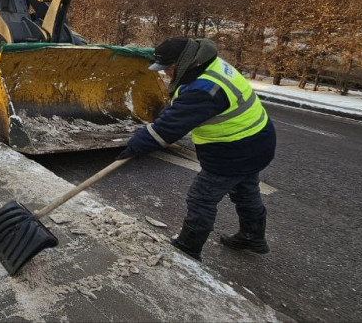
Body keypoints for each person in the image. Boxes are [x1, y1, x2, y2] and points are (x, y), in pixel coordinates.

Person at [116, 37, 277, 261]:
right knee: (245, 190)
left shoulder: (205, 89)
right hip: (258, 140)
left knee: (201, 198)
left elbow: (168, 129)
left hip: (234, 151)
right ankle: (252, 236)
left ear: (181, 63)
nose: (165, 74)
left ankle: (188, 248)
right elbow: (179, 106)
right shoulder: (206, 65)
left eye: (167, 69)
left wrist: (134, 147)